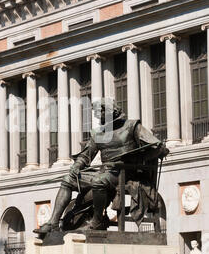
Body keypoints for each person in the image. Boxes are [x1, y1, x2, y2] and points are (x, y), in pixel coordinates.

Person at [34, 98, 168, 234]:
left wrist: (137, 157)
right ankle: (53, 223)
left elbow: (159, 148)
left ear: (110, 111)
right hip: (106, 172)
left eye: (100, 112)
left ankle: (97, 221)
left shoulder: (132, 126)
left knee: (99, 182)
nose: (98, 116)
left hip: (126, 173)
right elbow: (86, 155)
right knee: (68, 179)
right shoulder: (98, 133)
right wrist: (77, 165)